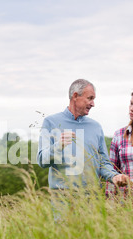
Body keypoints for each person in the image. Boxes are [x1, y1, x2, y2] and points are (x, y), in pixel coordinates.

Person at [37, 79, 128, 219]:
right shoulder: (51, 122)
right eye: (90, 98)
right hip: (63, 198)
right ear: (75, 96)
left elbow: (103, 161)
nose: (93, 104)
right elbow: (42, 161)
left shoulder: (96, 127)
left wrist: (113, 176)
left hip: (92, 197)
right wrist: (58, 146)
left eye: (93, 99)